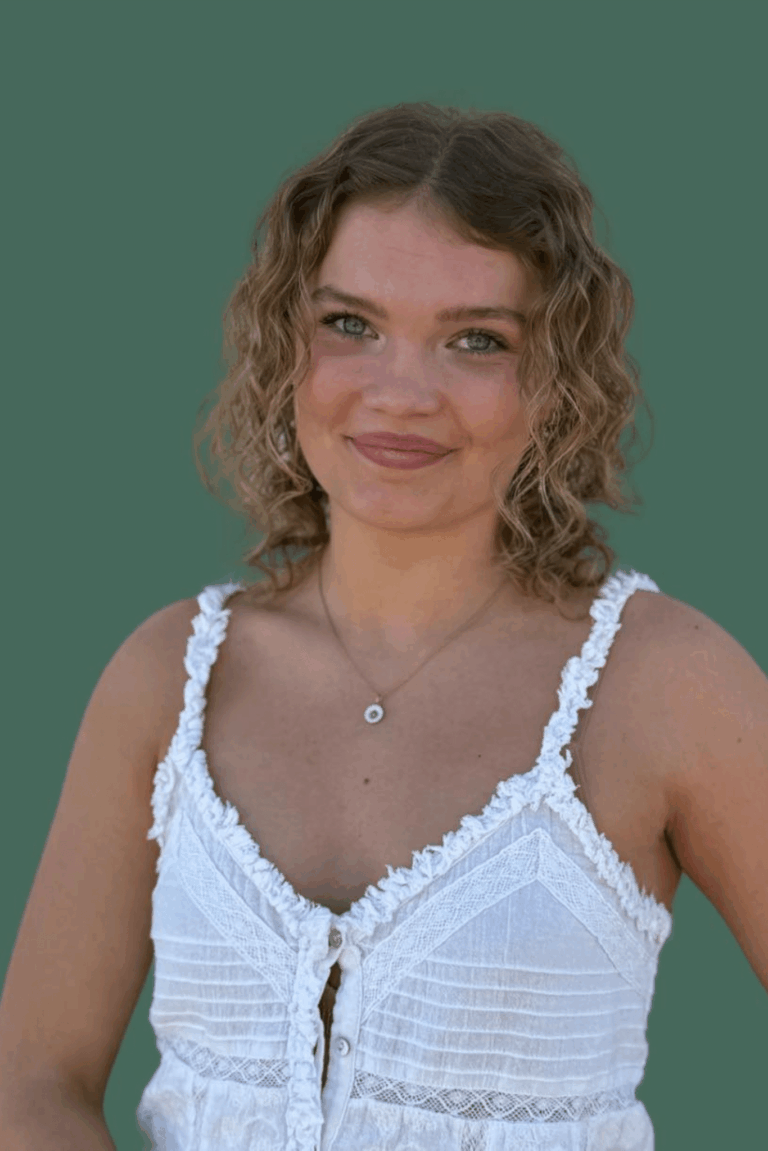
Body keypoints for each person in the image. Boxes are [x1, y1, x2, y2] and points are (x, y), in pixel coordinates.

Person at [0, 102, 766, 1151]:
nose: (400, 392)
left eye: (476, 340)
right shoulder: (169, 676)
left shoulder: (667, 681)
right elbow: (32, 1079)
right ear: (286, 346)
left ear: (554, 384)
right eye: (350, 325)